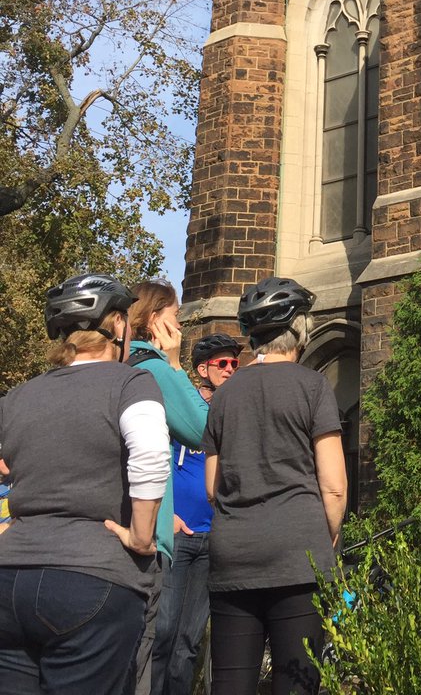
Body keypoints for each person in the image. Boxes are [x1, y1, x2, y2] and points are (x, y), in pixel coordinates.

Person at [0, 273, 169, 695]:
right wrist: (143, 537)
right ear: (116, 324)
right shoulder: (132, 383)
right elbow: (150, 453)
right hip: (92, 580)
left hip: (8, 578)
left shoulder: (18, 395)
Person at [203, 277, 347, 695]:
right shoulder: (313, 386)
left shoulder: (225, 395)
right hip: (297, 551)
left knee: (230, 681)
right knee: (296, 680)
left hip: (234, 553)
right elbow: (334, 485)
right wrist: (327, 536)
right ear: (300, 328)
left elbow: (212, 487)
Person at [128, 280, 210, 695]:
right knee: (151, 649)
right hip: (150, 541)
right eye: (175, 315)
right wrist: (176, 364)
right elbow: (204, 429)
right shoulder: (156, 370)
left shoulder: (120, 366)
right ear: (154, 319)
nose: (180, 323)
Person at [152, 334, 242, 695]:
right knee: (163, 631)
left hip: (213, 536)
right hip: (177, 533)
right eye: (223, 363)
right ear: (203, 369)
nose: (231, 369)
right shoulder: (181, 410)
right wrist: (166, 514)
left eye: (235, 363)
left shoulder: (233, 413)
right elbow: (154, 461)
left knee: (190, 640)